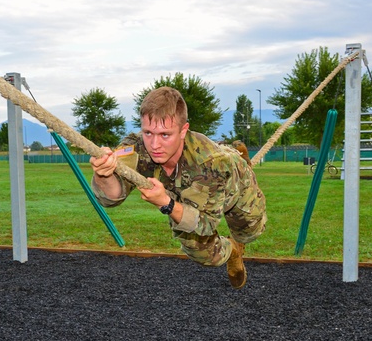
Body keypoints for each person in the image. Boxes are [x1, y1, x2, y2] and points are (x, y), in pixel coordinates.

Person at [89, 86, 266, 288]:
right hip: (191, 192)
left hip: (236, 184)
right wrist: (103, 173)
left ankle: (239, 155)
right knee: (202, 253)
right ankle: (234, 251)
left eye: (165, 135)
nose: (154, 144)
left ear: (183, 130)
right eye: (148, 132)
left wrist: (165, 203)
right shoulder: (135, 147)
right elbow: (111, 198)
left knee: (249, 234)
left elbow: (207, 223)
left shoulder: (212, 163)